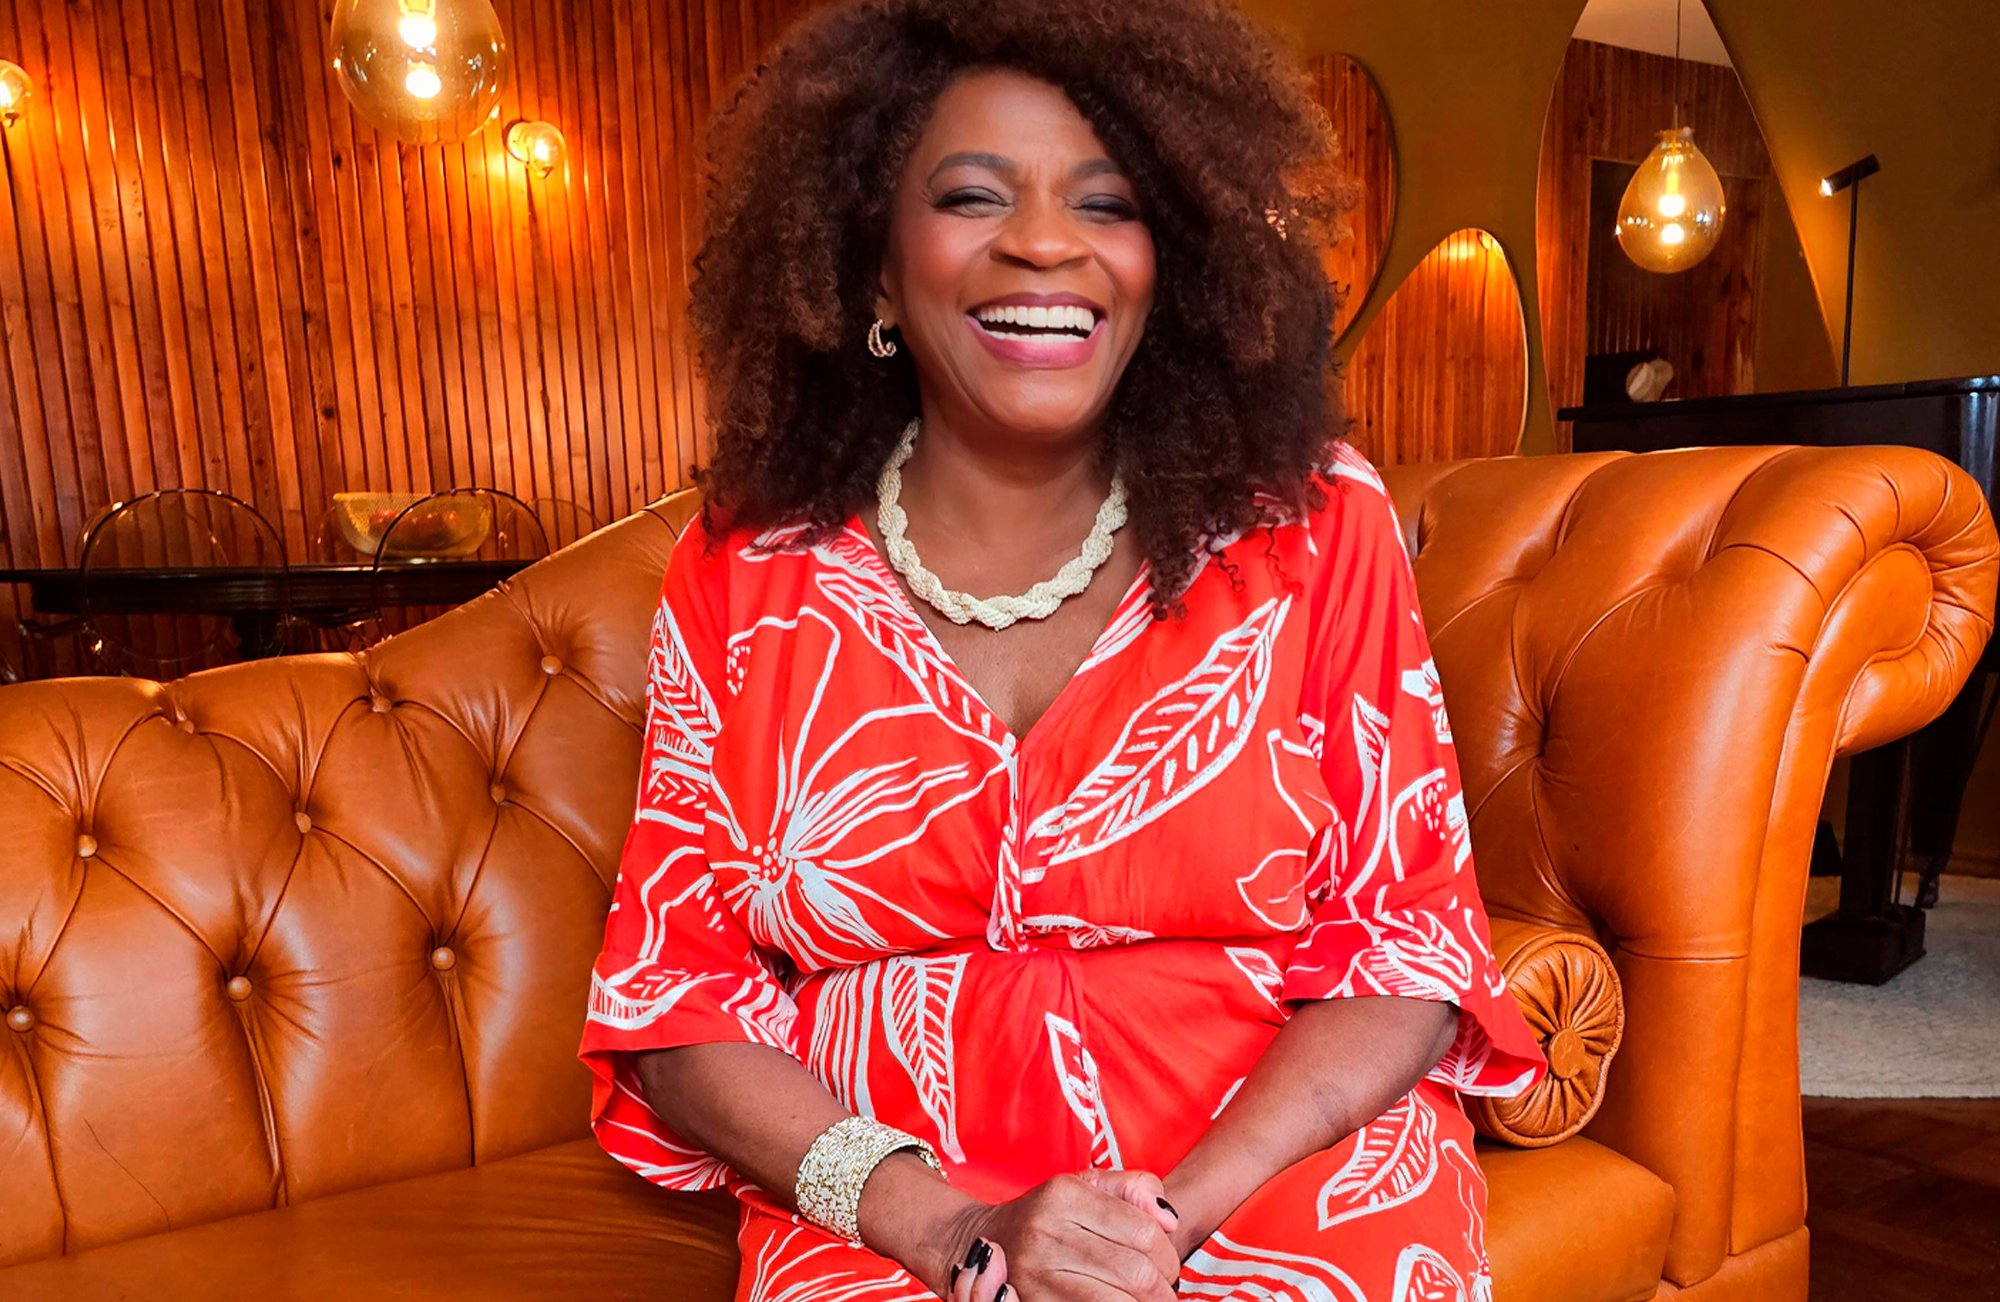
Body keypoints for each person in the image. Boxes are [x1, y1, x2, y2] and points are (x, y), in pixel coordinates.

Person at [579, 1, 1545, 1298]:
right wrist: (948, 1230)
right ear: (873, 262)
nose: (1043, 240)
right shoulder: (748, 568)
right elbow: (678, 998)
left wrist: (1161, 1226)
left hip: (1272, 1158)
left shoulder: (1311, 524)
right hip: (895, 1189)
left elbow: (1409, 948)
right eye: (973, 196)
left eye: (1107, 203)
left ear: (1172, 260)